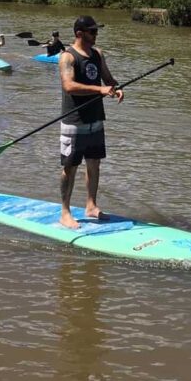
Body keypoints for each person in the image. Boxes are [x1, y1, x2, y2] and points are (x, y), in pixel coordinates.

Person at [58, 15, 123, 229]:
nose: (96, 35)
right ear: (79, 34)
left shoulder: (98, 54)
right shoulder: (68, 57)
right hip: (74, 120)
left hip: (96, 118)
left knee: (94, 163)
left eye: (97, 31)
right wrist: (100, 90)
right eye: (92, 31)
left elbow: (107, 79)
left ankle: (91, 206)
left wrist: (116, 87)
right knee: (70, 166)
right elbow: (69, 85)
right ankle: (65, 212)